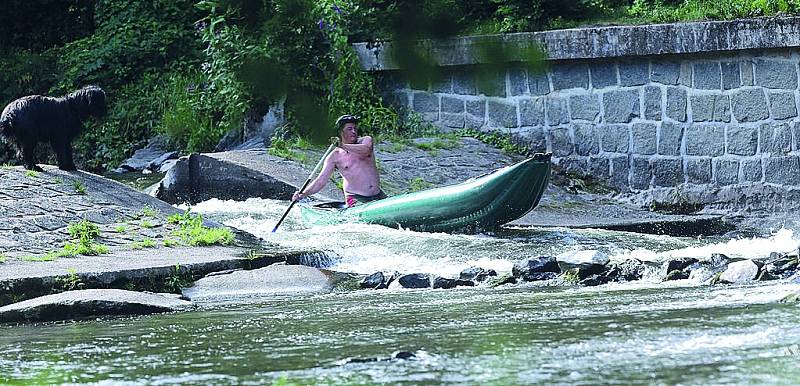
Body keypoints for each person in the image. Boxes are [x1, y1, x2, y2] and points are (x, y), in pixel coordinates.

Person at [292, 114, 386, 207]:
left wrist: (342, 145)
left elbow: (366, 150)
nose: (354, 131)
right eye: (349, 129)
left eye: (355, 128)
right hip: (356, 198)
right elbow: (321, 181)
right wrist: (303, 194)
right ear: (341, 132)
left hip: (378, 194)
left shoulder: (365, 140)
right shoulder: (334, 156)